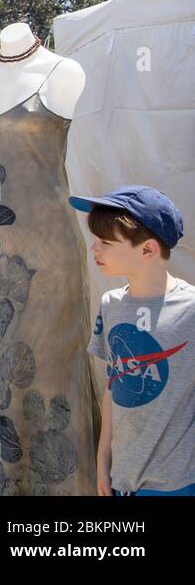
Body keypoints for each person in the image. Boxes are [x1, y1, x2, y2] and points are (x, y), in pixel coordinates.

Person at [72, 186, 192, 496]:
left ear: (148, 250)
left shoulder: (191, 310)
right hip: (122, 480)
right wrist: (103, 463)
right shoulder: (111, 304)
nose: (94, 249)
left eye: (106, 242)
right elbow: (114, 386)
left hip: (177, 484)